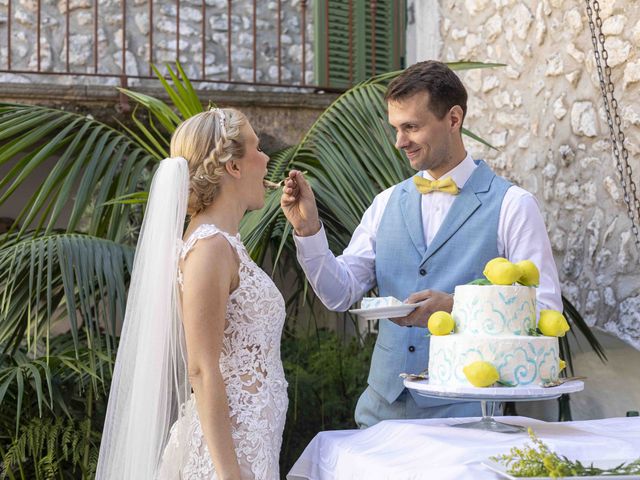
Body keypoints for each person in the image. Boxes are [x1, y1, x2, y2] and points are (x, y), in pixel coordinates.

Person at [280, 60, 562, 428]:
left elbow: (543, 308)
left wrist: (457, 310)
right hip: (381, 412)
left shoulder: (513, 204)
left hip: (468, 414)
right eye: (396, 128)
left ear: (454, 119)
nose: (399, 142)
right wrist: (308, 230)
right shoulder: (385, 203)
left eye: (411, 127)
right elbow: (340, 293)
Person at [96, 108, 288, 479]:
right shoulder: (209, 248)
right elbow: (201, 369)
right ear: (233, 166)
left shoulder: (227, 243)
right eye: (258, 147)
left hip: (254, 441)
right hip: (226, 453)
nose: (266, 159)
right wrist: (230, 474)